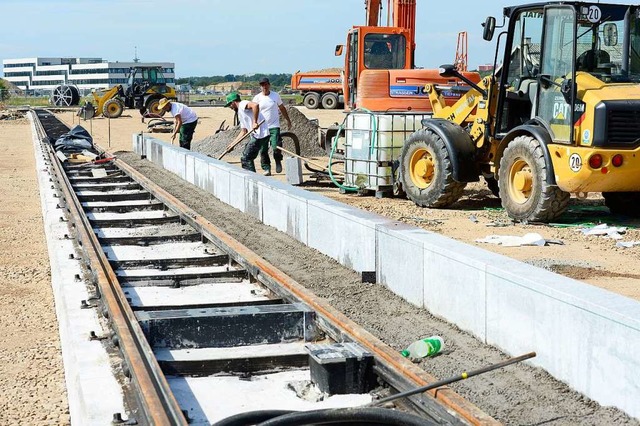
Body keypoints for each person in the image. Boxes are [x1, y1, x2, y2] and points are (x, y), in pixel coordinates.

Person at [252, 77, 292, 174]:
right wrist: (254, 122)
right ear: (260, 87)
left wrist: (288, 120)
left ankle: (278, 161)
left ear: (269, 85)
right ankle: (266, 168)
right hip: (262, 127)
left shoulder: (275, 96)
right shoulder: (257, 98)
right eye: (262, 85)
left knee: (276, 146)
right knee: (263, 149)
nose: (264, 87)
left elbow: (282, 108)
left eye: (265, 84)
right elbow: (253, 111)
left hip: (274, 125)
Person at [225, 92, 271, 174]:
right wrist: (232, 145)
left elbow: (255, 105)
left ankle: (252, 179)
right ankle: (252, 177)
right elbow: (243, 132)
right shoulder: (240, 113)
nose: (230, 107)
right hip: (259, 135)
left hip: (260, 135)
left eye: (230, 105)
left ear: (233, 102)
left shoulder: (242, 104)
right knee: (247, 156)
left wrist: (255, 122)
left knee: (246, 158)